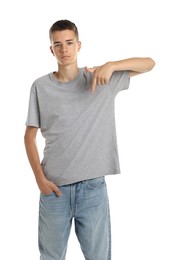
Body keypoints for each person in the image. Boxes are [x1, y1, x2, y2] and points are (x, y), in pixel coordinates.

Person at [24, 19, 155, 260]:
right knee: (50, 257)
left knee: (98, 257)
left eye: (69, 43)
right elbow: (29, 137)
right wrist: (40, 180)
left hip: (92, 189)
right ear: (51, 49)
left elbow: (149, 64)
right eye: (58, 44)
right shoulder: (40, 87)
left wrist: (112, 65)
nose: (64, 49)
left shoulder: (99, 78)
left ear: (79, 45)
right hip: (54, 190)